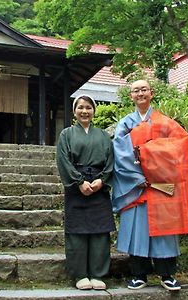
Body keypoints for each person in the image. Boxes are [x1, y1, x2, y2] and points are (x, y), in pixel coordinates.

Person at [112, 79, 188, 291]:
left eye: (144, 89)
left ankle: (167, 275)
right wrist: (140, 176)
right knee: (137, 231)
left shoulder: (166, 123)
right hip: (137, 186)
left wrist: (151, 155)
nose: (140, 93)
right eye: (136, 90)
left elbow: (180, 145)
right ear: (131, 96)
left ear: (151, 93)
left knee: (165, 232)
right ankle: (140, 274)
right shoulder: (125, 123)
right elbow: (120, 153)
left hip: (161, 185)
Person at [56, 95, 115, 290]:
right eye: (80, 107)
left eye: (88, 107)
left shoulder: (104, 136)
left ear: (93, 111)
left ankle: (98, 274)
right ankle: (80, 274)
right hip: (76, 187)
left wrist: (102, 180)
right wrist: (79, 182)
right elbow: (63, 160)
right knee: (77, 232)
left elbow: (111, 161)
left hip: (99, 185)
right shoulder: (66, 134)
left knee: (100, 231)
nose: (84, 111)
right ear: (74, 112)